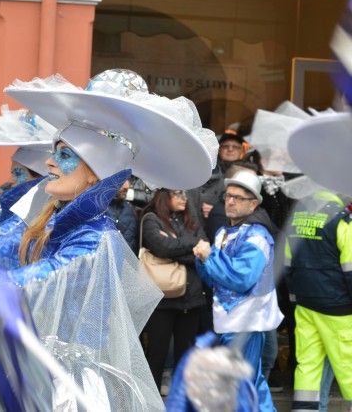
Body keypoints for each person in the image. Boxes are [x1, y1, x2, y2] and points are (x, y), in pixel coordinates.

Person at [0, 70, 217, 410]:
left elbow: (24, 286)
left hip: (64, 391)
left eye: (65, 155)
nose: (48, 162)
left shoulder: (94, 241)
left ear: (94, 172)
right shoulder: (51, 222)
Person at [193, 170, 284, 412]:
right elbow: (213, 278)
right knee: (250, 384)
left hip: (246, 321)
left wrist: (208, 257)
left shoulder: (257, 237)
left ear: (253, 203)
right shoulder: (225, 232)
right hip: (230, 320)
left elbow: (241, 278)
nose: (231, 201)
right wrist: (203, 260)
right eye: (228, 196)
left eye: (239, 198)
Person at [285, 190, 352, 411]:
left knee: (308, 367)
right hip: (338, 309)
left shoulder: (297, 216)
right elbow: (350, 269)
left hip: (305, 305)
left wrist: (296, 299)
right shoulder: (342, 219)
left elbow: (288, 264)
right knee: (348, 368)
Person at [140, 188, 207, 394]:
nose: (184, 198)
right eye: (178, 193)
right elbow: (162, 248)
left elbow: (204, 250)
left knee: (185, 357)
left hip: (192, 297)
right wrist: (192, 246)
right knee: (157, 355)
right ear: (163, 195)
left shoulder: (191, 219)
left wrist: (175, 250)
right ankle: (150, 405)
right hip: (163, 298)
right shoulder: (151, 219)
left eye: (186, 194)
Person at [109, 178, 139, 253]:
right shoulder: (97, 206)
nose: (127, 186)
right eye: (122, 178)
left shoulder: (129, 210)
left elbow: (130, 242)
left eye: (128, 180)